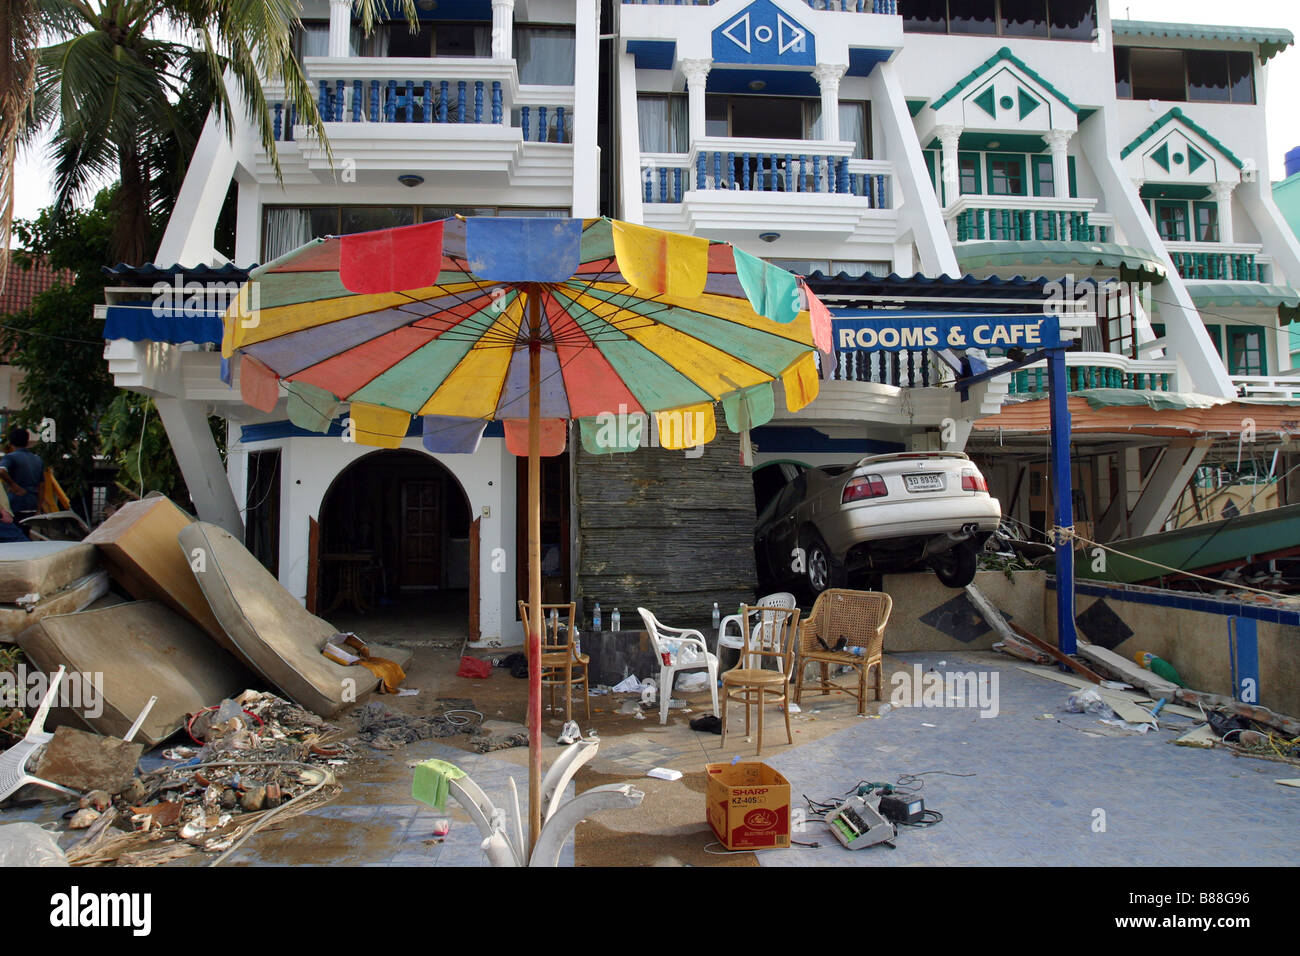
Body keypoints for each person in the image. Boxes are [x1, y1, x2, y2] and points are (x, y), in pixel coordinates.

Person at [0, 428, 44, 522]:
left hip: (15, 504)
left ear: (10, 443)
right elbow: (41, 486)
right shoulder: (38, 460)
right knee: (26, 533)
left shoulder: (10, 457)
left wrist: (13, 485)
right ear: (27, 443)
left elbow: (1, 471)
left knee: (14, 534)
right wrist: (39, 509)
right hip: (32, 505)